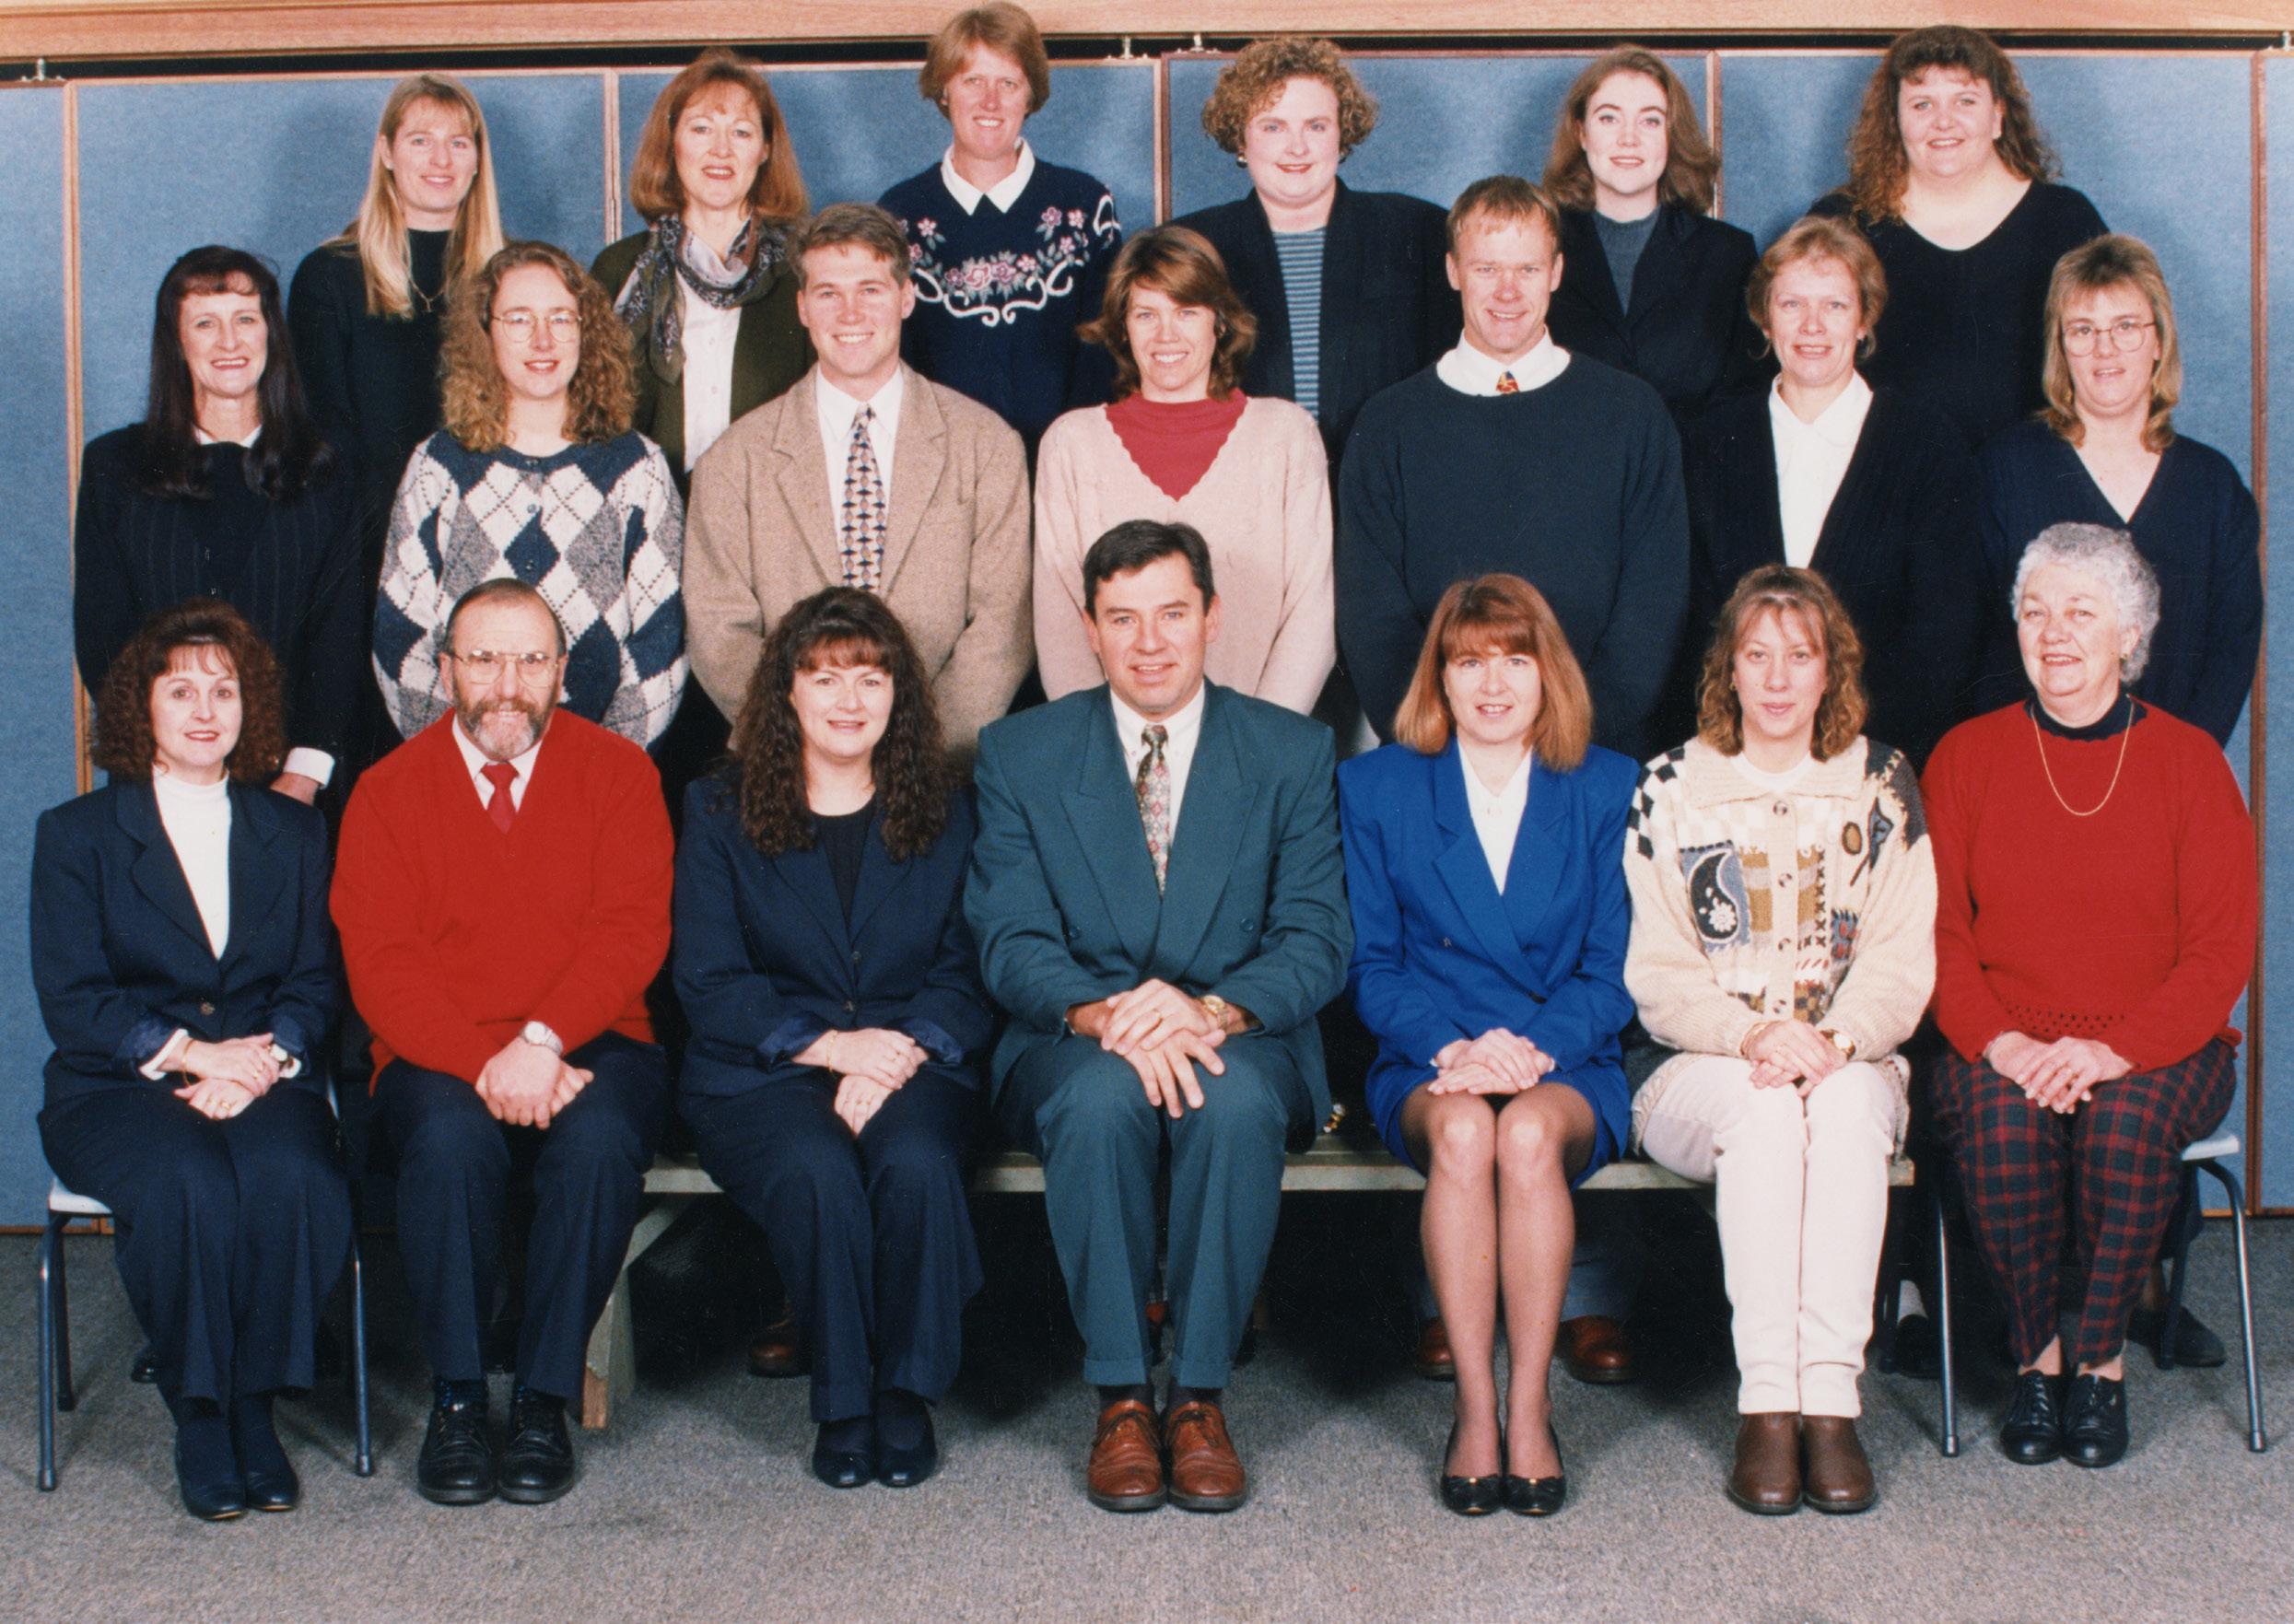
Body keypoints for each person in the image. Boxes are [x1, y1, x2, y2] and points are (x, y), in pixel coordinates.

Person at [966, 520, 1350, 1514]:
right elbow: (1009, 936)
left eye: (1172, 614)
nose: (1149, 642)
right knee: (1099, 1104)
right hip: (1078, 1034)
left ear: (1212, 617)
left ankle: (1200, 1399)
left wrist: (1207, 1011)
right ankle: (1124, 1397)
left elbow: (1316, 936)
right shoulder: (1022, 752)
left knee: (1230, 1103)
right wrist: (1109, 1015)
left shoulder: (1290, 750)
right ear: (1089, 626)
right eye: (1123, 618)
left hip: (1240, 1029)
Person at [334, 578, 674, 1507]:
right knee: (449, 1140)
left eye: (530, 660)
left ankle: (540, 1399)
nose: (507, 684)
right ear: (446, 670)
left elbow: (630, 933)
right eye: (484, 659)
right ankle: (455, 1397)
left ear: (563, 672)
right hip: (440, 1051)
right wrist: (491, 1062)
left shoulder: (620, 774)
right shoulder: (386, 792)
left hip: (594, 1038)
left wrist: (543, 1039)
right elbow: (383, 965)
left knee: (599, 1142)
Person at [1925, 523, 2254, 1469]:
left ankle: (2101, 1363)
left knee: (2121, 1125)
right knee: (2002, 1119)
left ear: (2130, 633)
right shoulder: (1965, 756)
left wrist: (2114, 1051)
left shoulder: (2192, 763)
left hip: (2160, 1044)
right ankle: (2038, 1360)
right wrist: (2005, 1043)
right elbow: (1937, 935)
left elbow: (2219, 953)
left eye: (2080, 611)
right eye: (2036, 612)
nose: (2054, 632)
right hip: (2004, 1039)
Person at [1623, 566, 1937, 1516]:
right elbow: (1659, 971)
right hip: (1701, 1065)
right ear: (1728, 666)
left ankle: (1830, 1404)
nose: (1777, 677)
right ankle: (1767, 1403)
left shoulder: (1881, 781)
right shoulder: (1671, 783)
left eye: (1800, 656)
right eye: (1757, 654)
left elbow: (1899, 959)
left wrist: (1831, 1039)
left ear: (1831, 670)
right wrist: (1756, 1032)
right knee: (1763, 1114)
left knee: (1840, 1112)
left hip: (1849, 1056)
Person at [33, 600, 348, 1521]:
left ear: (252, 707)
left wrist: (260, 1063)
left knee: (294, 1173)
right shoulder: (77, 834)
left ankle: (255, 1405)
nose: (205, 710)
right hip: (116, 1085)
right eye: (181, 691)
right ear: (143, 705)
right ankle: (201, 1415)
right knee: (188, 1181)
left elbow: (314, 979)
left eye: (225, 690)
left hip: (260, 1070)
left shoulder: (292, 831)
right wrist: (194, 1056)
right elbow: (75, 998)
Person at [676, 589, 989, 1492]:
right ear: (787, 692)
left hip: (914, 1057)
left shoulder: (951, 808)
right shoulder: (718, 809)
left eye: (870, 677)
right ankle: (845, 1401)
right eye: (823, 677)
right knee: (815, 1167)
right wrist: (831, 1048)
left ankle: (906, 1391)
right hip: (762, 1069)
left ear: (899, 693)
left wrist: (898, 1049)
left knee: (917, 1160)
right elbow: (709, 977)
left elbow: (968, 967)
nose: (848, 699)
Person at [1339, 575, 1635, 1516]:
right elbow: (1372, 965)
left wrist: (1529, 1050)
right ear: (1440, 677)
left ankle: (1531, 1405)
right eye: (1469, 662)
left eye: (1515, 659)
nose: (1493, 684)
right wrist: (1455, 1048)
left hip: (1568, 1057)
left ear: (1550, 673)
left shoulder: (1608, 785)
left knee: (1526, 1135)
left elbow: (1613, 971)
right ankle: (1475, 1407)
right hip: (1430, 1058)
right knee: (1468, 1133)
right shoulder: (1377, 786)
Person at [1340, 174, 1687, 763]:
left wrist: (1571, 740)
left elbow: (1652, 609)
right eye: (1486, 269)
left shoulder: (1631, 414)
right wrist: (1445, 745)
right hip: (1440, 760)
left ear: (1556, 272)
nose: (1507, 291)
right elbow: (1373, 620)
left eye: (1527, 269)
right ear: (1453, 271)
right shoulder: (1388, 424)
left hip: (1594, 758)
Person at [686, 204, 1032, 758]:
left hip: (942, 764)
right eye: (828, 293)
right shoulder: (734, 461)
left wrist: (917, 752)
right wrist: (815, 746)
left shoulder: (986, 445)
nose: (850, 313)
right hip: (790, 765)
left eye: (870, 289)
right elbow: (718, 631)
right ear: (803, 307)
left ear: (906, 297)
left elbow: (1002, 626)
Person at [1680, 216, 1984, 765]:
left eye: (1835, 306)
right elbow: (1694, 624)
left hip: (1879, 757)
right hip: (1733, 756)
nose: (1812, 326)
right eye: (1792, 304)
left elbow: (1943, 635)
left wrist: (1847, 753)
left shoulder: (1927, 445)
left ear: (1864, 320)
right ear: (1765, 318)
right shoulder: (1711, 443)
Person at [76, 246, 362, 806]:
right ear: (177, 342)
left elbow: (341, 634)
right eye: (206, 323)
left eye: (245, 320)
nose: (229, 342)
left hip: (295, 789)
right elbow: (102, 635)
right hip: (156, 781)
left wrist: (303, 775)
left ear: (271, 334)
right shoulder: (116, 467)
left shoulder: (327, 468)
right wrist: (164, 765)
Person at [373, 240, 685, 750]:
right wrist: (462, 763)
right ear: (485, 332)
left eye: (561, 319)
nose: (543, 340)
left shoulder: (637, 468)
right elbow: (400, 637)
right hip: (464, 770)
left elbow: (660, 642)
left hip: (596, 770)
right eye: (519, 320)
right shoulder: (438, 466)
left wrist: (601, 767)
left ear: (586, 331)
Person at [1974, 235, 2261, 745]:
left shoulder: (2214, 488)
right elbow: (1980, 641)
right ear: (2061, 348)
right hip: (2034, 764)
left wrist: (2177, 766)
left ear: (2159, 342)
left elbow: (2231, 653)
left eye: (2126, 326)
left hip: (2173, 772)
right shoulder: (2006, 470)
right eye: (2083, 330)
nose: (2104, 349)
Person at [1034, 227, 1332, 712]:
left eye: (1186, 312)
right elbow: (1059, 625)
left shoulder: (1287, 435)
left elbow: (1311, 614)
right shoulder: (1071, 444)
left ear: (1220, 322)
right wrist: (1106, 741)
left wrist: (1260, 739)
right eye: (1146, 314)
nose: (1166, 334)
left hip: (1258, 736)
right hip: (1114, 740)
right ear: (1122, 328)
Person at [1809, 25, 2106, 448]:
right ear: (1895, 120)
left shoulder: (2065, 220)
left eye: (1965, 100)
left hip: (2035, 472)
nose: (1943, 121)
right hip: (1885, 472)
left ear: (1998, 116)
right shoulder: (1842, 224)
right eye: (1922, 104)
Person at [1173, 36, 1458, 469]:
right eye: (1273, 127)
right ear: (1241, 139)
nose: (1297, 147)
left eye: (1316, 126)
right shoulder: (1189, 245)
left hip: (1385, 485)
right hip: (1242, 486)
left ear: (1343, 134)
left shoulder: (1419, 232)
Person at [878, 3, 1123, 452]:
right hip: (942, 468)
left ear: (1030, 96)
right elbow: (894, 366)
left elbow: (1103, 355)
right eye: (973, 81)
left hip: (1064, 464)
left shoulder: (1085, 205)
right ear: (944, 90)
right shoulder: (898, 215)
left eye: (1008, 83)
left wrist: (1068, 458)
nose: (990, 101)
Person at [289, 73, 506, 539]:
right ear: (387, 152)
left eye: (458, 143)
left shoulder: (511, 276)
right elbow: (326, 439)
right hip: (369, 536)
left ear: (477, 160)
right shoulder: (329, 276)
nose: (441, 160)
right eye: (420, 140)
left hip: (491, 532)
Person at [594, 48, 812, 485]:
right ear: (672, 141)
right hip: (646, 509)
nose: (721, 150)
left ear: (765, 150)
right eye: (701, 129)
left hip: (767, 511)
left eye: (741, 132)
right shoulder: (619, 270)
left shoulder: (802, 272)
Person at [1541, 45, 1762, 427]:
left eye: (1650, 121)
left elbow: (1744, 401)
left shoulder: (1728, 256)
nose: (1629, 138)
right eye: (1609, 118)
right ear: (1581, 132)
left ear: (1671, 136)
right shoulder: (1540, 246)